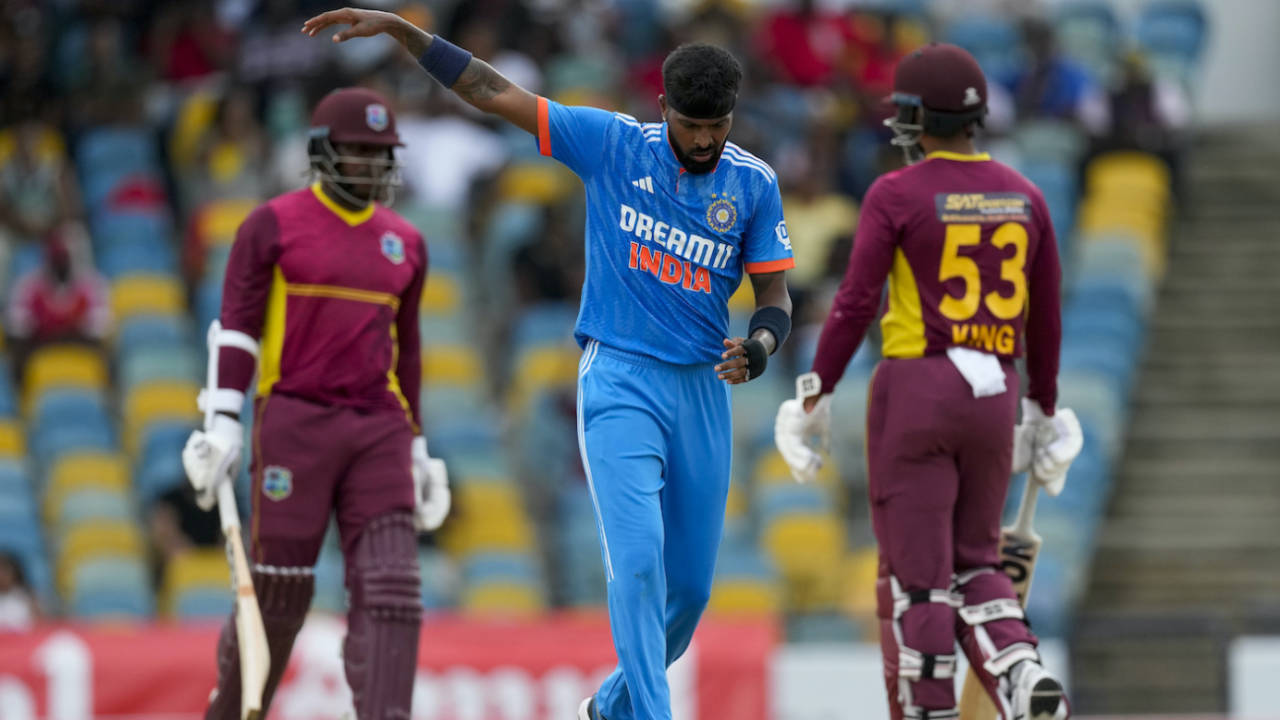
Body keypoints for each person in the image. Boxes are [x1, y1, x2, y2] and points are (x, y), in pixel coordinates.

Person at [301, 9, 795, 720]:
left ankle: (611, 710)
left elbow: (774, 293)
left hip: (702, 391)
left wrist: (760, 348)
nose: (705, 140)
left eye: (717, 126)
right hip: (621, 379)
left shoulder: (752, 184)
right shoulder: (613, 146)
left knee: (687, 595)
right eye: (691, 126)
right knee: (638, 564)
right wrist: (408, 36)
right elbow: (490, 90)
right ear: (664, 110)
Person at [774, 44, 1082, 720]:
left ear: (916, 116)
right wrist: (1044, 406)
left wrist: (817, 391)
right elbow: (1047, 313)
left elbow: (855, 302)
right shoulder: (1026, 195)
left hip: (919, 388)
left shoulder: (896, 192)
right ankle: (1021, 672)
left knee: (920, 581)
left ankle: (931, 710)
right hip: (996, 394)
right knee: (979, 562)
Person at [180, 86, 452, 720]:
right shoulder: (272, 224)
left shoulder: (406, 242)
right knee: (278, 594)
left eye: (381, 153)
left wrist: (417, 444)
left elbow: (406, 352)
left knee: (392, 589)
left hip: (378, 427)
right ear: (323, 151)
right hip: (295, 419)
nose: (371, 164)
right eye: (357, 150)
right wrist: (222, 421)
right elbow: (239, 326)